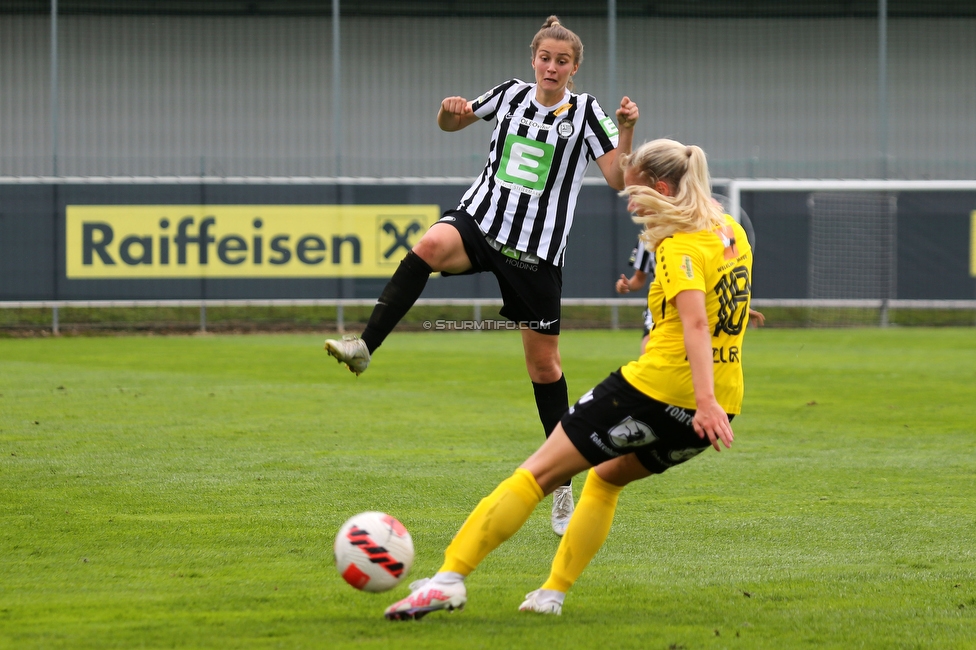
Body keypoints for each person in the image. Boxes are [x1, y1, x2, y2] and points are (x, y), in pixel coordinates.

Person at [383, 138, 754, 621]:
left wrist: (699, 398)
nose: (632, 203)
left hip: (662, 391)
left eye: (637, 193)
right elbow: (720, 306)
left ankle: (447, 580)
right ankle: (552, 592)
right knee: (604, 480)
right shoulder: (728, 230)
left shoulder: (677, 245)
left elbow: (697, 325)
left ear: (663, 188)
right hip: (720, 407)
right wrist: (708, 402)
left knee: (538, 474)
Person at [324, 16, 639, 536]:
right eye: (545, 58)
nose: (552, 67)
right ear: (533, 59)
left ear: (574, 68)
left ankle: (561, 484)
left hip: (535, 251)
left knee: (544, 368)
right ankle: (364, 347)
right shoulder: (510, 95)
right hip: (480, 221)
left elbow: (617, 178)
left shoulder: (586, 113)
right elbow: (455, 124)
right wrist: (449, 112)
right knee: (427, 244)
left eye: (563, 61)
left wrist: (626, 129)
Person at [614, 239, 657, 354]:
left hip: (690, 308)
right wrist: (627, 285)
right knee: (648, 365)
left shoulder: (695, 232)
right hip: (657, 313)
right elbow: (639, 278)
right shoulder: (648, 238)